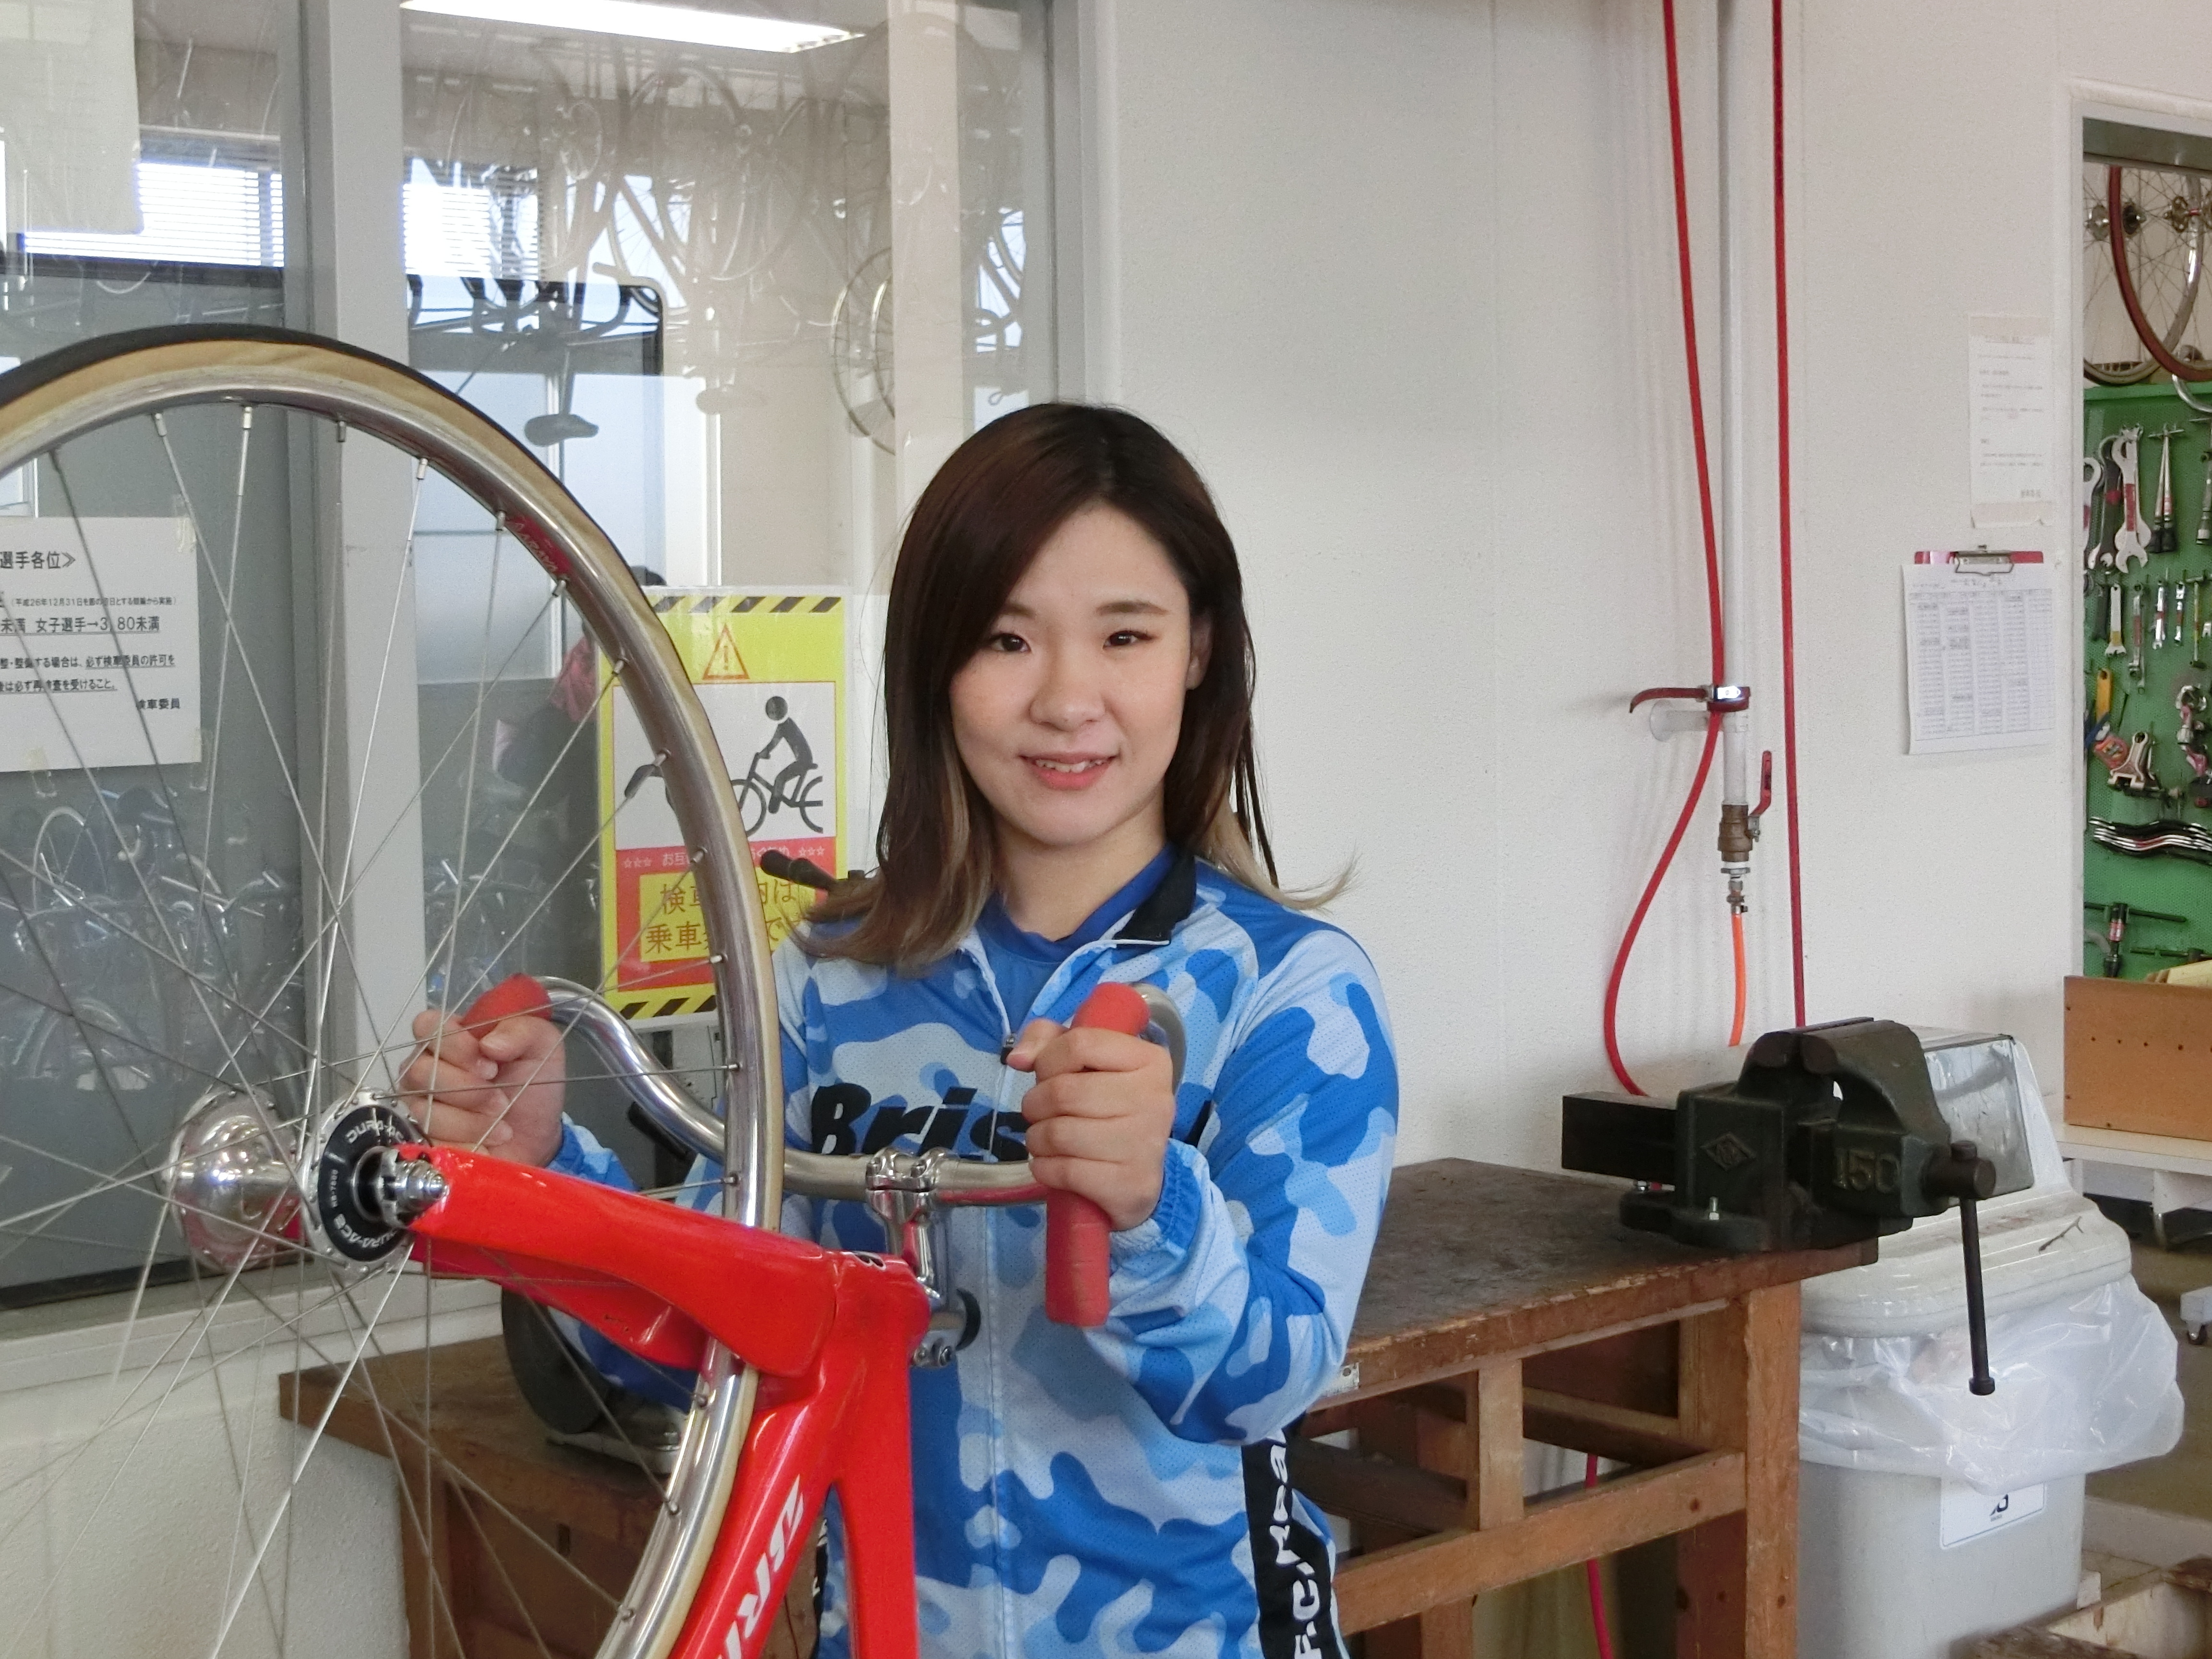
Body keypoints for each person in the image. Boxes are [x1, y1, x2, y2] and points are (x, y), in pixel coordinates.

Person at [399, 404, 1399, 1659]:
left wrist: (1151, 1212)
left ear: (1199, 651)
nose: (1067, 699)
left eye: (1125, 635)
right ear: (936, 664)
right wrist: (544, 1174)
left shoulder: (1290, 993)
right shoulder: (830, 980)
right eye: (1005, 638)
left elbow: (1271, 1382)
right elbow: (709, 1347)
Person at [754, 693, 815, 814]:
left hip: (804, 760)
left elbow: (773, 743)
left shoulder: (784, 726)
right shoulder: (788, 723)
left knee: (780, 779)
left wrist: (763, 754)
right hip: (804, 759)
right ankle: (774, 806)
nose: (772, 715)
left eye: (773, 712)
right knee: (780, 779)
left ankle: (773, 808)